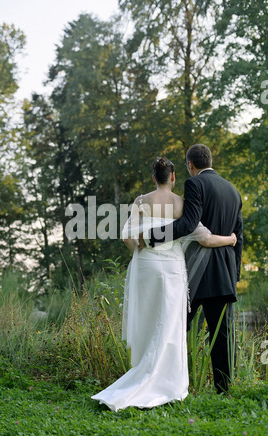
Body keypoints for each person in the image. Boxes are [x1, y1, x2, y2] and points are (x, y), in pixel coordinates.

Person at [91, 156, 237, 411]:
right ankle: (167, 384)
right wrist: (232, 239)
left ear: (153, 177)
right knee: (170, 323)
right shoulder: (182, 204)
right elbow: (205, 239)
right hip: (171, 268)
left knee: (149, 322)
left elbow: (127, 236)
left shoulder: (141, 201)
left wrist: (141, 253)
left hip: (147, 265)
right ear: (173, 177)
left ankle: (144, 372)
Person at [148, 144, 243, 394]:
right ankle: (224, 391)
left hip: (196, 273)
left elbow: (189, 224)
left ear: (190, 165)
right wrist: (235, 275)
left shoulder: (195, 185)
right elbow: (238, 237)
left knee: (177, 327)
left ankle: (169, 384)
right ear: (209, 160)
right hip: (224, 275)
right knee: (222, 335)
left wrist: (152, 236)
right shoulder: (233, 191)